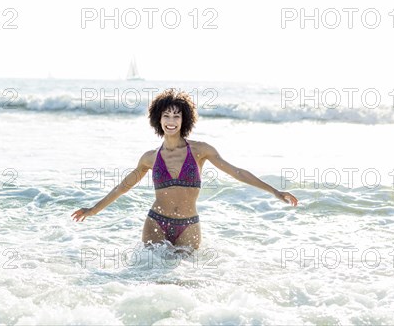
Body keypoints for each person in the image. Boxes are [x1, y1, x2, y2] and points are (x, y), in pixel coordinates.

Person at [71, 88, 298, 250]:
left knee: (186, 283)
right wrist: (92, 210)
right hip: (155, 222)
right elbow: (123, 187)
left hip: (188, 225)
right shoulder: (149, 158)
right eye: (166, 115)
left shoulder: (201, 150)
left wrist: (275, 192)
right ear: (158, 119)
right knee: (150, 281)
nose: (171, 120)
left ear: (184, 119)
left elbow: (237, 172)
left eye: (176, 116)